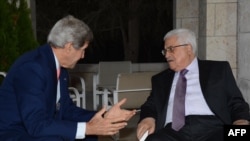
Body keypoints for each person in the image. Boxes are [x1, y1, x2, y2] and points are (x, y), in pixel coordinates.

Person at [0, 15, 136, 141]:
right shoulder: (32, 68)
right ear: (69, 47)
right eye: (83, 50)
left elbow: (66, 109)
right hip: (15, 131)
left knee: (89, 136)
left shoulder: (59, 68)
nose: (83, 56)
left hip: (37, 126)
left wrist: (102, 116)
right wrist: (88, 128)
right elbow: (36, 125)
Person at [136, 28, 250, 141]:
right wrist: (147, 118)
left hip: (215, 128)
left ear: (188, 48)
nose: (166, 55)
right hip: (173, 132)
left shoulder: (217, 70)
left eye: (171, 49)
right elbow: (150, 105)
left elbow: (236, 101)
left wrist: (241, 120)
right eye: (165, 51)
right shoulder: (160, 80)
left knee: (240, 135)